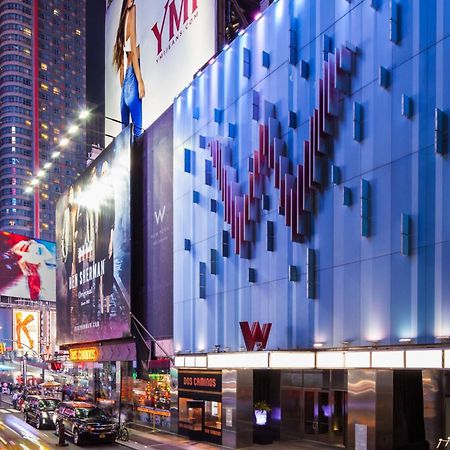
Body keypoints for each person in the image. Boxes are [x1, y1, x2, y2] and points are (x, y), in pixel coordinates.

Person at [113, 0, 145, 137]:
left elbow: (121, 62)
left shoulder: (121, 25)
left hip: (126, 80)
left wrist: (124, 81)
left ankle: (129, 158)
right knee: (137, 131)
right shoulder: (132, 12)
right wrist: (140, 81)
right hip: (132, 75)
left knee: (125, 133)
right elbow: (132, 52)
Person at [98, 161, 115, 318]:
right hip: (98, 241)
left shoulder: (111, 197)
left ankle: (108, 308)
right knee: (99, 273)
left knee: (108, 273)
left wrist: (110, 243)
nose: (105, 175)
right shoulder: (97, 199)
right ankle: (102, 308)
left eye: (106, 172)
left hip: (107, 239)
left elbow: (112, 224)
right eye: (102, 173)